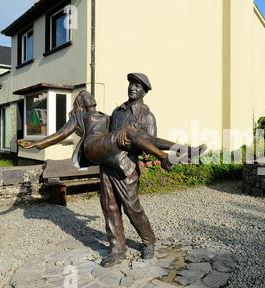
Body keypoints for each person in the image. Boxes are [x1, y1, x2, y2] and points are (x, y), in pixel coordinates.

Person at [19, 85, 206, 267]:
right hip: (99, 152)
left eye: (137, 85)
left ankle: (149, 241)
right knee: (110, 204)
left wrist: (128, 142)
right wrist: (38, 144)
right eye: (83, 95)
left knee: (129, 207)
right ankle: (117, 249)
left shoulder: (137, 116)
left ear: (144, 91)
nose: (87, 95)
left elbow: (146, 145)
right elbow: (61, 134)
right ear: (80, 102)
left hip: (122, 164)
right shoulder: (97, 114)